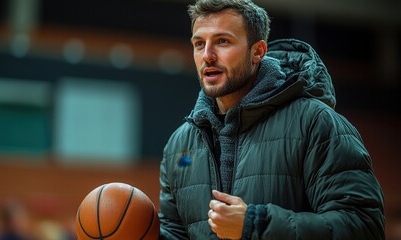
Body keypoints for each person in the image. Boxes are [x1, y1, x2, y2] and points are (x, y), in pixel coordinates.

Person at [158, 0, 385, 239]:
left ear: (258, 51)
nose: (207, 55)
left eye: (222, 41)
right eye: (199, 43)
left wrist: (257, 225)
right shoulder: (179, 145)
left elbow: (364, 226)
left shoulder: (315, 123)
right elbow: (177, 232)